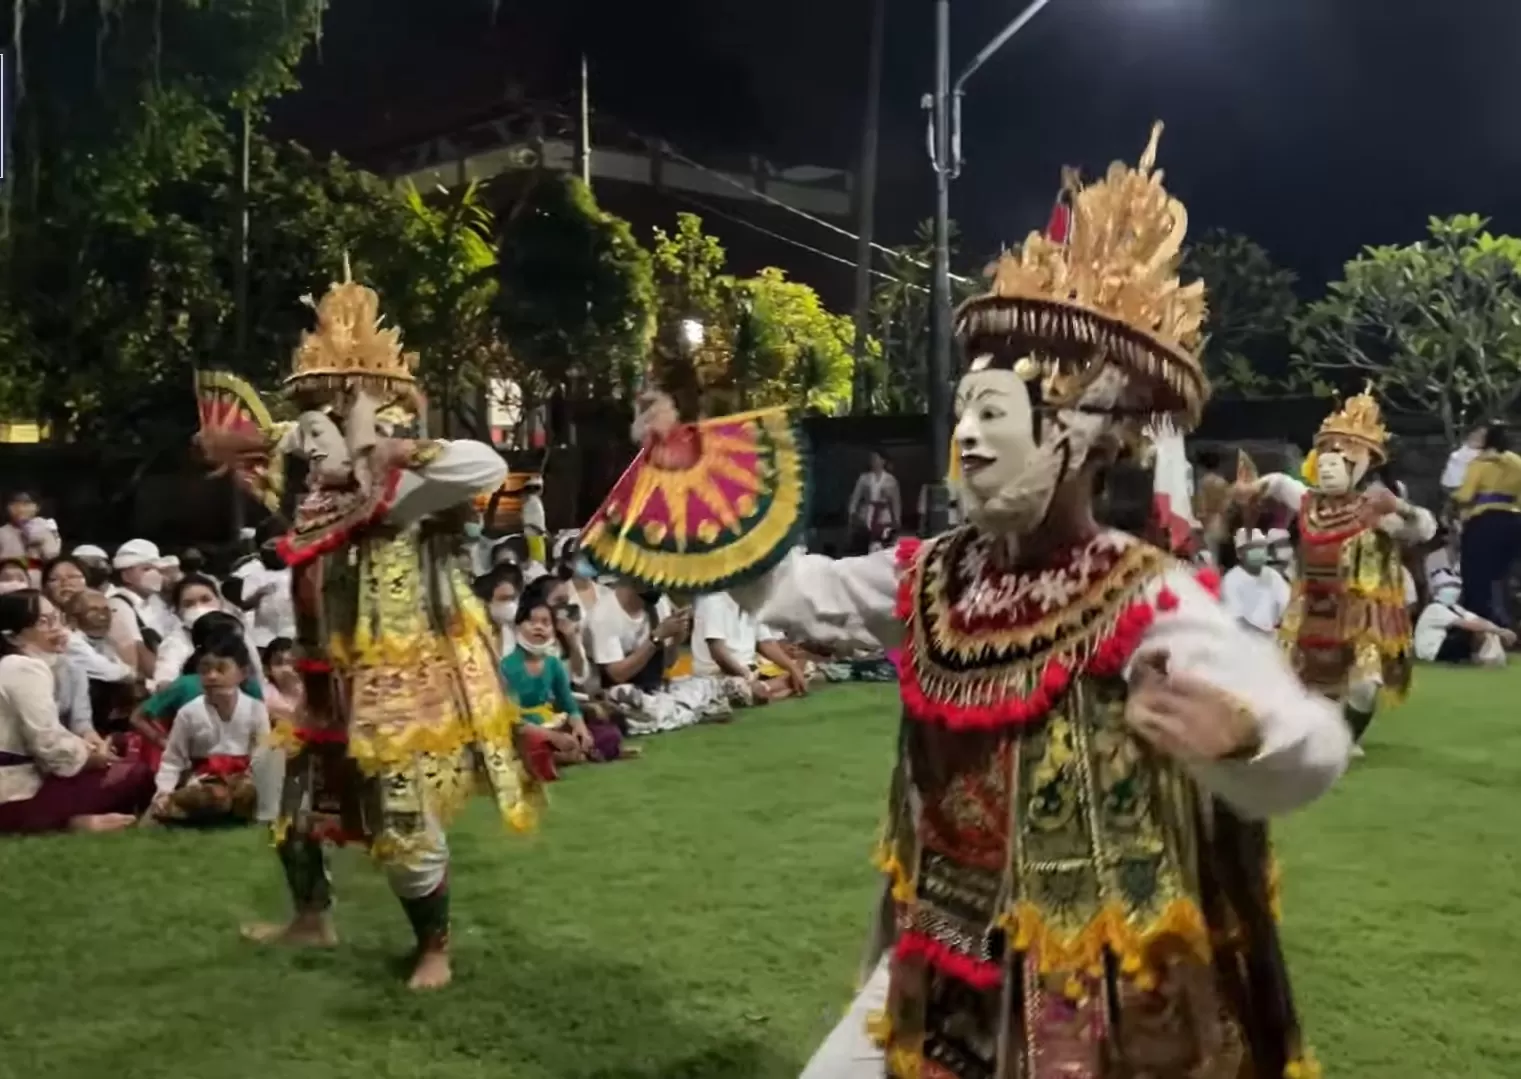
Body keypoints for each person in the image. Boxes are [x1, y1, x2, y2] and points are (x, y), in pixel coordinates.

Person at [599, 126, 1347, 1079]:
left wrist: (1242, 737)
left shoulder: (1144, 594)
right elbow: (796, 595)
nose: (967, 438)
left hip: (1090, 980)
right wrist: (695, 480)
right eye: (964, 413)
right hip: (943, 942)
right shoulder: (936, 574)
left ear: (1078, 436)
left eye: (993, 414)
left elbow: (1313, 739)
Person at [196, 267, 540, 991]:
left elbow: (490, 461)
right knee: (280, 784)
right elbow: (260, 445)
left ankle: (434, 945)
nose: (310, 445)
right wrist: (238, 445)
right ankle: (312, 916)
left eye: (326, 430)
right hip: (324, 677)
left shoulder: (405, 485)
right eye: (308, 431)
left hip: (398, 681)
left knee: (402, 813)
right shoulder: (314, 494)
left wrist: (394, 448)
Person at [1238, 385, 1436, 748]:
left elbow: (1424, 529)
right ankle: (1291, 733)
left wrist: (1402, 508)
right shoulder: (1307, 502)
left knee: (1363, 685)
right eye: (1324, 463)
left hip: (1361, 613)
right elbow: (1281, 483)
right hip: (1310, 606)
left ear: (1356, 468)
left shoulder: (1374, 508)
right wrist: (1251, 489)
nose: (1328, 472)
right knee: (1290, 679)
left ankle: (1344, 739)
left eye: (1337, 465)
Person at [0, 590, 153, 833]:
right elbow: (47, 741)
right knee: (135, 774)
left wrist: (89, 746)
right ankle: (67, 821)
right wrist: (92, 757)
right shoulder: (23, 667)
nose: (57, 629)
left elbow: (63, 731)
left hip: (25, 778)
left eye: (57, 619)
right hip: (14, 792)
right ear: (14, 636)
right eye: (43, 622)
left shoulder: (47, 664)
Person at [148, 635, 270, 825]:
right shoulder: (188, 713)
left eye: (221, 669)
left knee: (247, 791)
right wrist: (163, 791)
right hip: (205, 781)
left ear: (243, 673)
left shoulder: (256, 709)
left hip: (243, 780)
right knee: (212, 796)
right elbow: (173, 759)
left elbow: (262, 753)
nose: (212, 676)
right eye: (205, 670)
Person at [499, 586, 605, 774]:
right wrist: (553, 737)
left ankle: (567, 752)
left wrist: (581, 729)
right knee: (532, 747)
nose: (539, 627)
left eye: (546, 623)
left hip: (550, 721)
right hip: (524, 729)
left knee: (607, 736)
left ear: (553, 631)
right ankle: (559, 755)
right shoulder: (506, 666)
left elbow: (569, 704)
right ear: (518, 627)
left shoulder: (553, 664)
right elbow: (513, 721)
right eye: (531, 622)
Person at [1453, 421, 1521, 626]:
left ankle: (1483, 626)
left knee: (1478, 578)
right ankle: (1508, 623)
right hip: (1513, 521)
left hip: (1483, 524)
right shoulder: (1517, 463)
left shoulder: (1479, 463)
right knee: (1505, 577)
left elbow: (1465, 495)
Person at [691, 591, 807, 703]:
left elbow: (766, 643)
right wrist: (749, 678)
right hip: (717, 676)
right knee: (745, 688)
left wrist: (793, 669)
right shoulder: (712, 600)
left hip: (750, 671)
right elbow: (719, 654)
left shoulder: (751, 601)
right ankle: (772, 688)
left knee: (802, 666)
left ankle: (771, 688)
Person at [1414, 571, 1513, 665]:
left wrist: (1501, 631)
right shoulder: (1434, 608)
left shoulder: (1455, 608)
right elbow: (1469, 625)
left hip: (1444, 646)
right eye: (1448, 585)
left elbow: (1478, 620)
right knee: (1477, 629)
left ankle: (1488, 657)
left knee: (1485, 627)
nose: (1453, 589)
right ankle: (1485, 658)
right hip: (1432, 652)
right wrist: (1498, 631)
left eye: (1456, 585)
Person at [151, 574, 224, 692]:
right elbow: (164, 681)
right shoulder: (175, 642)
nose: (199, 607)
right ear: (178, 612)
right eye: (188, 604)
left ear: (219, 601)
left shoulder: (235, 631)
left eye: (205, 599)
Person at [107, 539, 176, 655]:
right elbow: (138, 652)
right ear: (126, 576)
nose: (154, 574)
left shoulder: (157, 602)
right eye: (146, 569)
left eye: (157, 569)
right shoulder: (119, 604)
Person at [1221, 528, 1292, 636]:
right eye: (1252, 548)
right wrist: (1264, 635)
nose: (1259, 551)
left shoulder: (1272, 575)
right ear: (1240, 553)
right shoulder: (1231, 580)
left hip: (1270, 638)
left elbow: (1287, 606)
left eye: (1261, 547)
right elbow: (1237, 619)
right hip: (1243, 640)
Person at [847, 451, 900, 555]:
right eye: (872, 459)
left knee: (883, 537)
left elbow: (896, 501)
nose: (874, 462)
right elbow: (856, 496)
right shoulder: (864, 478)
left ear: (883, 461)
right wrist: (852, 512)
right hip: (867, 511)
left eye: (876, 459)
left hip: (883, 512)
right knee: (865, 536)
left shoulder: (891, 480)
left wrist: (897, 518)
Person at [0, 491, 62, 571]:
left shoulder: (46, 527)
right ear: (7, 507)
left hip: (39, 577)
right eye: (14, 504)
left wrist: (44, 538)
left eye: (26, 504)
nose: (20, 508)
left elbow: (53, 557)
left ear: (37, 507)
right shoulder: (2, 532)